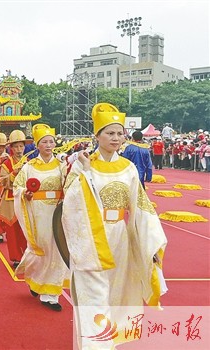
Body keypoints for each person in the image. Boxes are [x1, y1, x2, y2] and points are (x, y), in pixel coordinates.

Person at [62, 103, 167, 348]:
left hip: (119, 237)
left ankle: (109, 341)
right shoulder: (82, 164)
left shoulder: (128, 168)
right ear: (96, 135)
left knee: (118, 292)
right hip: (90, 238)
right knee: (93, 295)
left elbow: (141, 207)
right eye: (110, 133)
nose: (116, 138)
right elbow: (69, 202)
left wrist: (149, 243)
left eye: (120, 133)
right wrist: (86, 174)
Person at [14, 124, 69, 312]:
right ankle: (35, 278)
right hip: (37, 212)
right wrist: (25, 193)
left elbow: (69, 186)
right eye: (44, 142)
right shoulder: (29, 167)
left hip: (56, 213)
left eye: (51, 141)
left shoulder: (62, 166)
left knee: (57, 249)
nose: (48, 145)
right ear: (37, 145)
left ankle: (51, 294)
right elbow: (17, 187)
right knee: (40, 247)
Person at [0, 130, 29, 268]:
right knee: (12, 230)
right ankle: (16, 257)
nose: (19, 150)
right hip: (10, 200)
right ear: (11, 148)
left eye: (21, 146)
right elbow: (1, 181)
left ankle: (27, 256)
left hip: (26, 199)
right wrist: (13, 174)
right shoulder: (6, 163)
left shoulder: (30, 162)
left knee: (26, 230)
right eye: (16, 147)